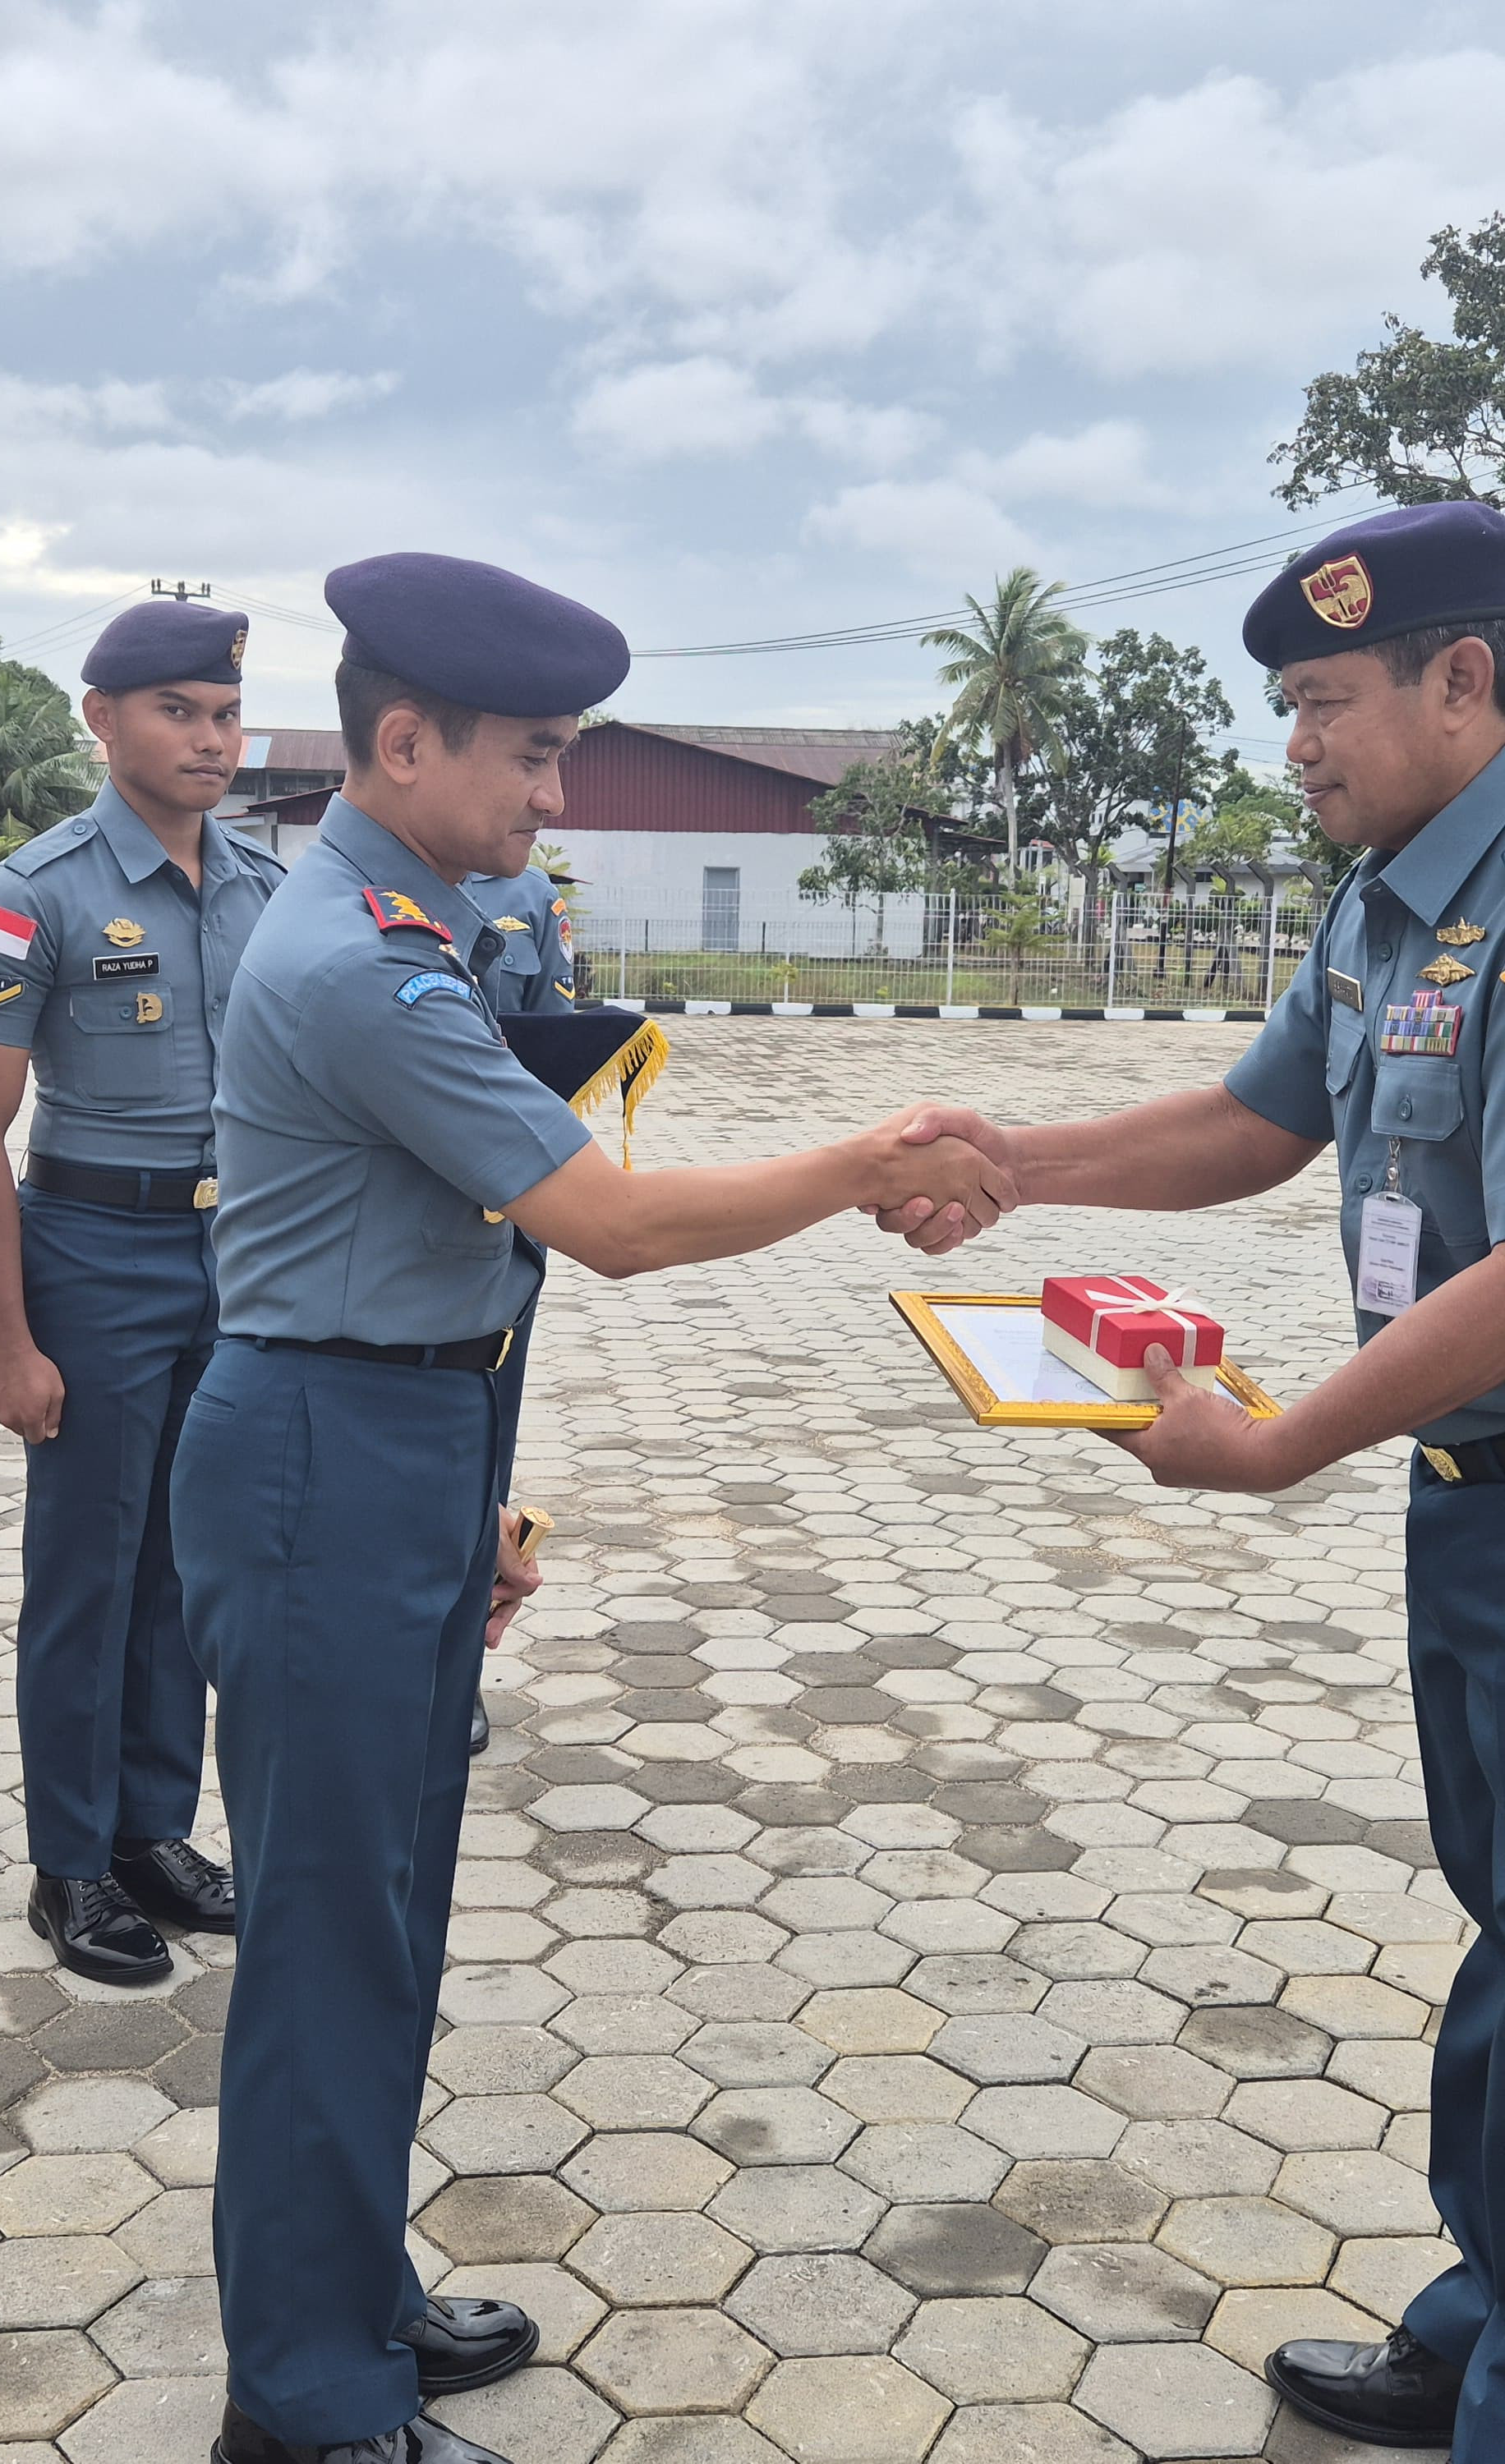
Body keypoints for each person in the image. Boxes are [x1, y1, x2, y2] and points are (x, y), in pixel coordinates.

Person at [884, 501, 1505, 2464]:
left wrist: (1276, 1442)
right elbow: (1254, 1120)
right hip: (1486, 1499)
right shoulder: (1390, 892)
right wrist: (1020, 1156)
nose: (1293, 741)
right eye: (1287, 704)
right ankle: (1488, 2324)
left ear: (1457, 682)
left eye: (1322, 700)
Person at [181, 550, 1012, 2464]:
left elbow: (437, 1253)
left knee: (381, 1917)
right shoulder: (356, 961)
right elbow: (613, 1227)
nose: (554, 798)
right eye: (533, 760)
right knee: (324, 1936)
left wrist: (464, 1487)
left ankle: (349, 2293)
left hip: (390, 1443)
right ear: (404, 743)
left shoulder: (407, 919)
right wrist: (863, 1160)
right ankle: (302, 2402)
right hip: (320, 1459)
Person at [0, 600, 279, 1990]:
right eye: (176, 711)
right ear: (103, 719)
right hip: (92, 1253)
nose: (208, 739)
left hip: (235, 1261)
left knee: (185, 1569)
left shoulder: (265, 884)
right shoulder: (39, 891)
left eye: (223, 712)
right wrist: (7, 1341)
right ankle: (70, 1864)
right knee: (86, 1575)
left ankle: (152, 1837)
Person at [455, 844, 578, 1757]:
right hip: (389, 1229)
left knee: (484, 1452)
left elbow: (552, 1043)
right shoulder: (340, 904)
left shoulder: (529, 895)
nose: (543, 796)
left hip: (503, 1220)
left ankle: (458, 1671)